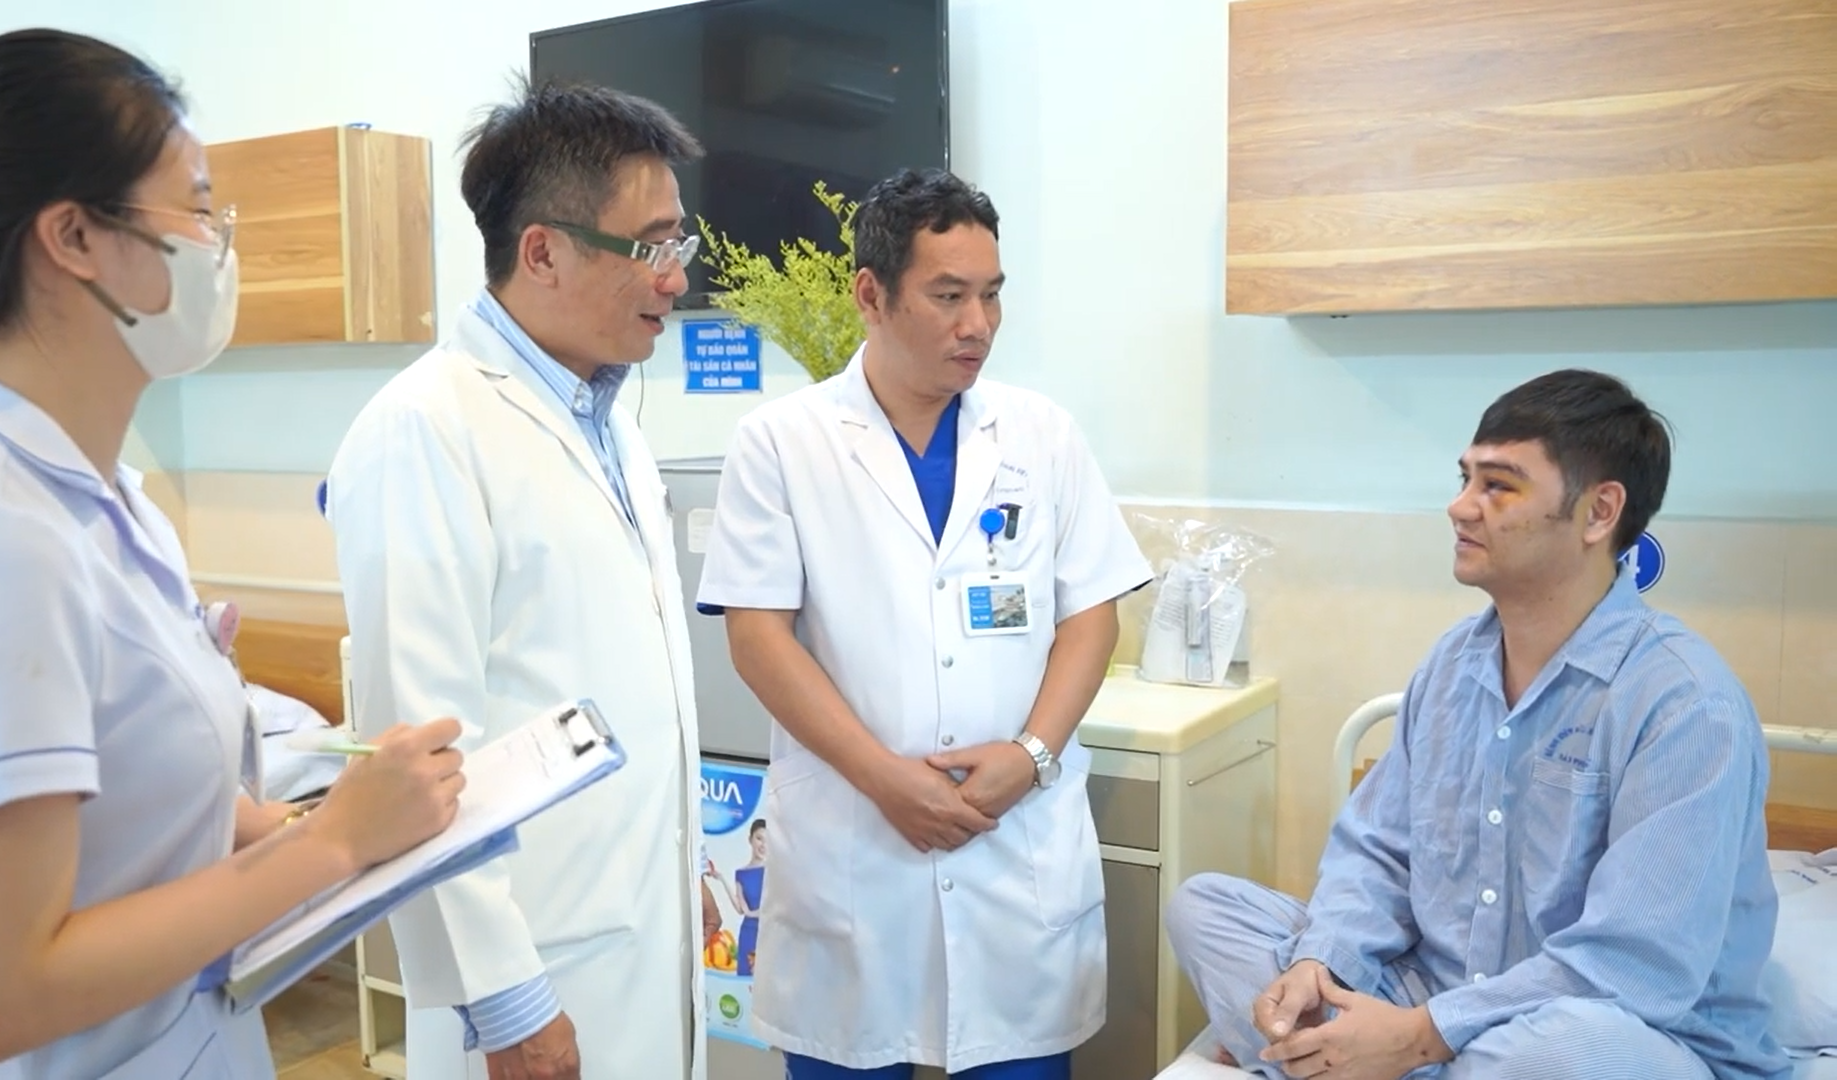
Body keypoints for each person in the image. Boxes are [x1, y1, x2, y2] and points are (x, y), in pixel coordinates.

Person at [0, 29, 466, 1078]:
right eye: (201, 209)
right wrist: (331, 843)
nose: (221, 246)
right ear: (74, 236)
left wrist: (295, 827)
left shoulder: (113, 498)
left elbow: (134, 810)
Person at [1167, 369, 1789, 1080]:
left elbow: (1635, 966)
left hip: (1622, 1031)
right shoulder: (1452, 665)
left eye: (1498, 486)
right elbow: (1379, 853)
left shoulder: (1684, 704)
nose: (1460, 507)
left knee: (1562, 1052)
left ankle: (1338, 1061)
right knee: (1206, 908)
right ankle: (1350, 1055)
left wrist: (1420, 1035)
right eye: (1465, 478)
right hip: (1437, 994)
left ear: (1598, 512)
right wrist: (1320, 964)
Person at [696, 167, 1153, 1079]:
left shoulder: (1042, 435)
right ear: (871, 295)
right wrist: (886, 781)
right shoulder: (782, 442)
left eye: (991, 295)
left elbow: (1090, 615)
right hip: (855, 852)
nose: (977, 324)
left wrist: (1031, 755)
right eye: (948, 296)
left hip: (1011, 846)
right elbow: (757, 639)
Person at [326, 80, 710, 1080]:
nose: (676, 278)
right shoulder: (424, 432)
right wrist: (505, 998)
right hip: (534, 975)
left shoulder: (613, 423)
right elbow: (418, 747)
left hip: (635, 932)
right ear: (542, 252)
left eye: (679, 243)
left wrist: (685, 878)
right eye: (652, 246)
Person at [730, 819, 767, 977]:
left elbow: (773, 906)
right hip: (748, 933)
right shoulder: (741, 874)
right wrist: (722, 880)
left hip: (768, 932)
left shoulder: (773, 872)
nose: (763, 845)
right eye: (759, 838)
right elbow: (741, 909)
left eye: (768, 841)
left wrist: (753, 913)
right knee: (745, 980)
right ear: (750, 839)